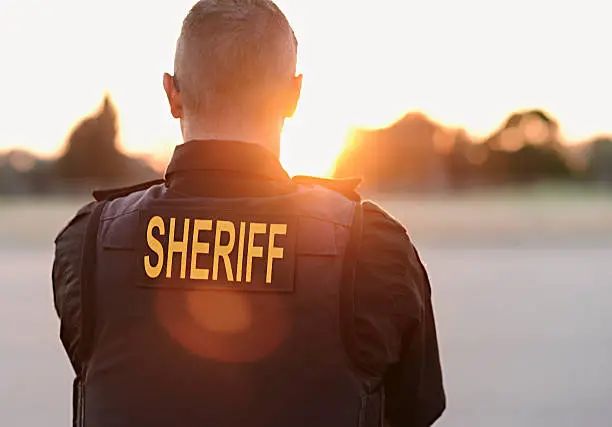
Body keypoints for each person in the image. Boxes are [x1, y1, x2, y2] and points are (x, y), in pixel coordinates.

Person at [52, 1, 446, 426]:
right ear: (293, 96)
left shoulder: (87, 243)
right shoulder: (372, 246)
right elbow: (414, 410)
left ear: (172, 93)